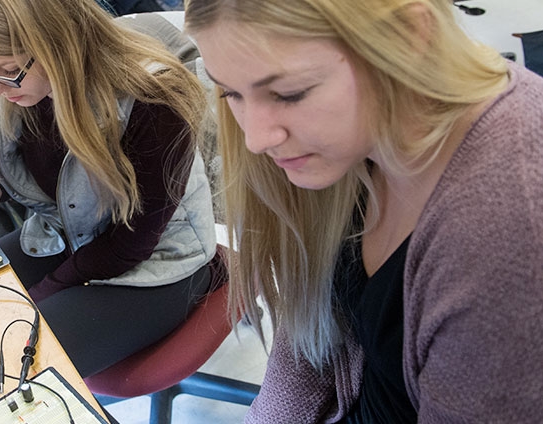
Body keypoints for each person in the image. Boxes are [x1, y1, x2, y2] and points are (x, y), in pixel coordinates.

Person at [183, 0, 543, 421]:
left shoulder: (510, 232)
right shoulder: (349, 144)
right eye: (230, 92)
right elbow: (308, 344)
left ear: (409, 38)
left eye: (290, 93)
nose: (256, 139)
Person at [0, 0, 219, 377]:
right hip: (74, 233)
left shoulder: (153, 100)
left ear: (58, 45)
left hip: (157, 258)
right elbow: (51, 169)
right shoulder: (23, 87)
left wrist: (42, 293)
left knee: (11, 358)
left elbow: (130, 244)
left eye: (6, 71)